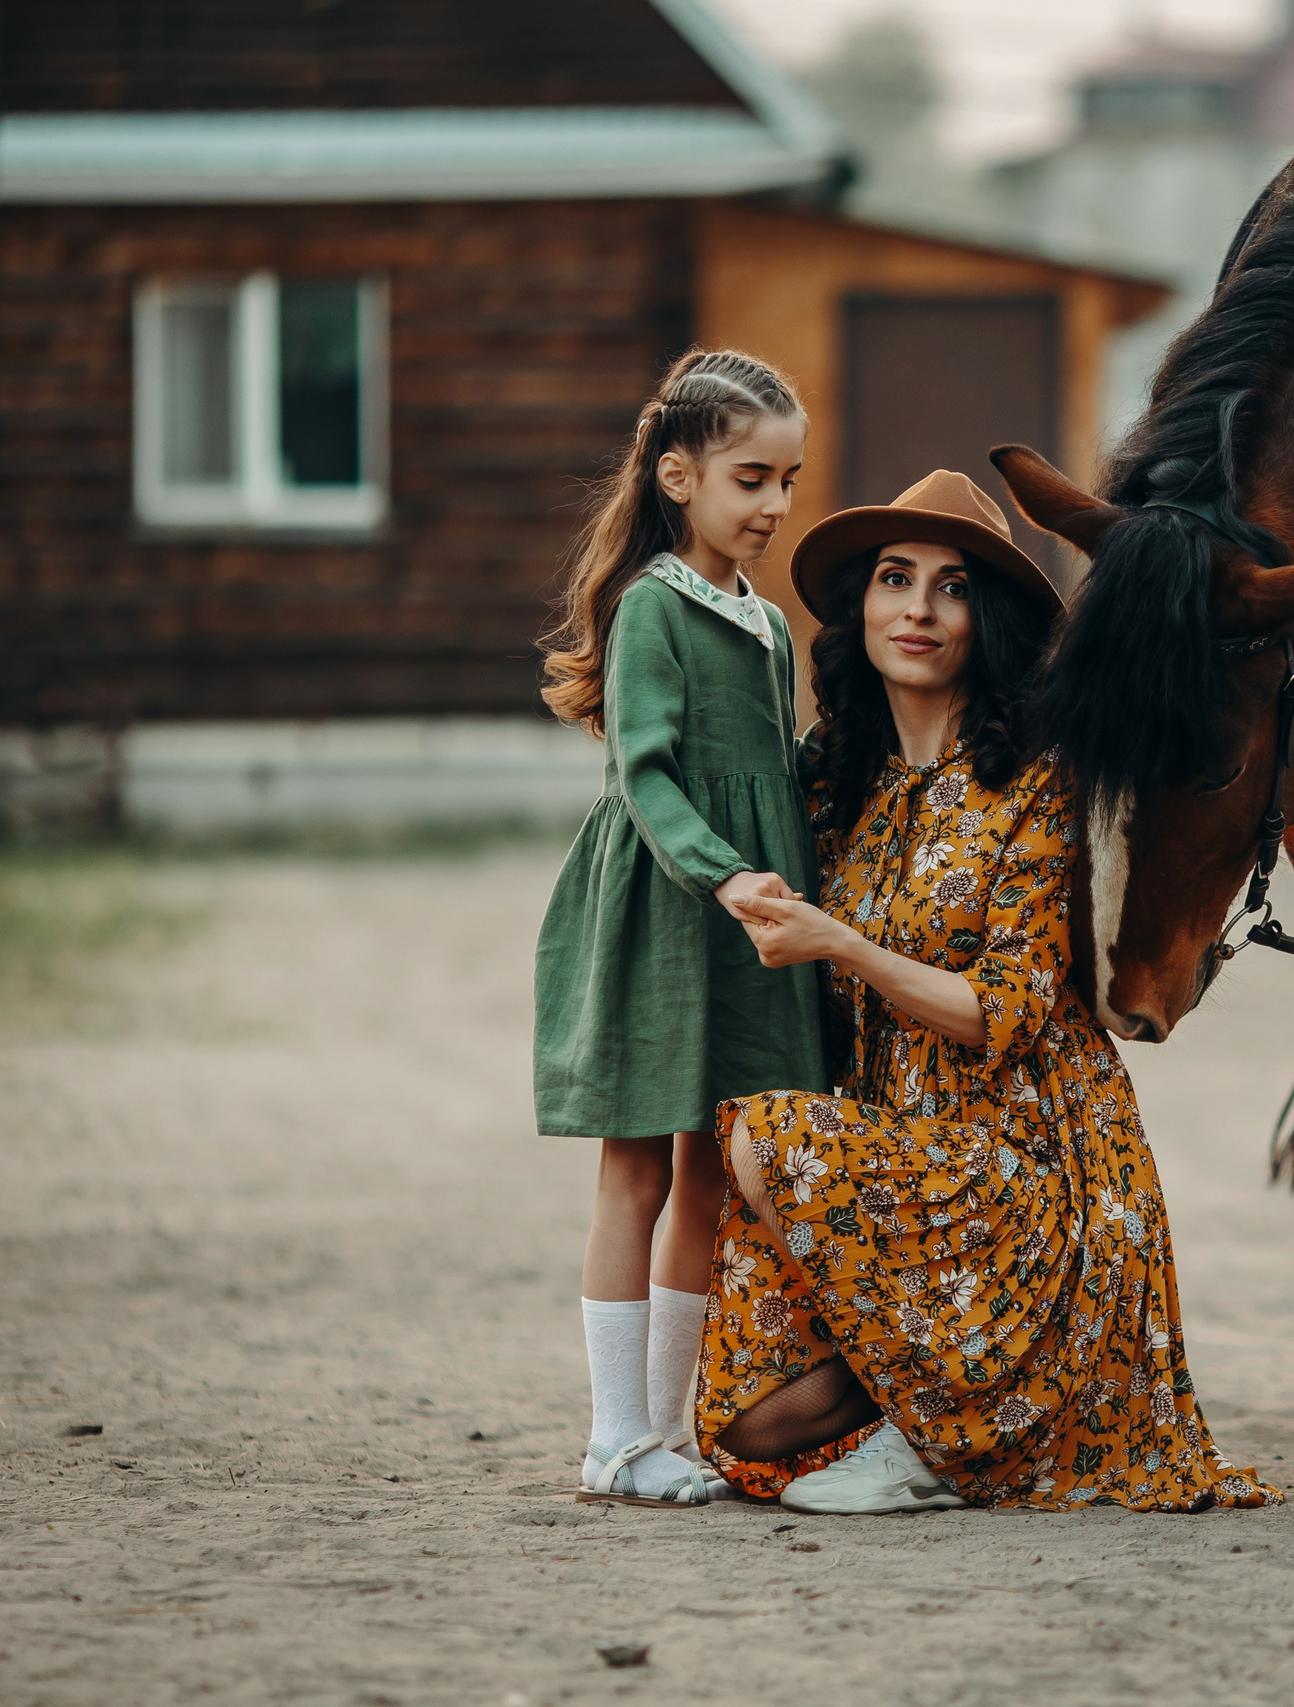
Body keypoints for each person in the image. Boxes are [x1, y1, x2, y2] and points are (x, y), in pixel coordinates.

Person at [696, 469, 1276, 1515]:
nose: (916, 610)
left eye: (951, 587)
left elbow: (998, 1011)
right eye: (892, 578)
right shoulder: (837, 785)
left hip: (1030, 1167)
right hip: (896, 1168)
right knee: (747, 1426)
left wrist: (844, 945)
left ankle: (955, 1440)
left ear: (987, 618)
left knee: (759, 1139)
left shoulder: (1041, 779)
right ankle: (954, 1427)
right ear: (860, 608)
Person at [533, 348, 826, 1508]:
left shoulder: (765, 619)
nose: (774, 505)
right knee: (637, 1173)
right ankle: (611, 1437)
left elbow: (777, 768)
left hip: (751, 920)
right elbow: (645, 776)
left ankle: (664, 1433)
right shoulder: (654, 607)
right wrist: (723, 875)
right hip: (669, 908)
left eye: (788, 480)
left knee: (709, 1178)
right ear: (676, 476)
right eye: (751, 477)